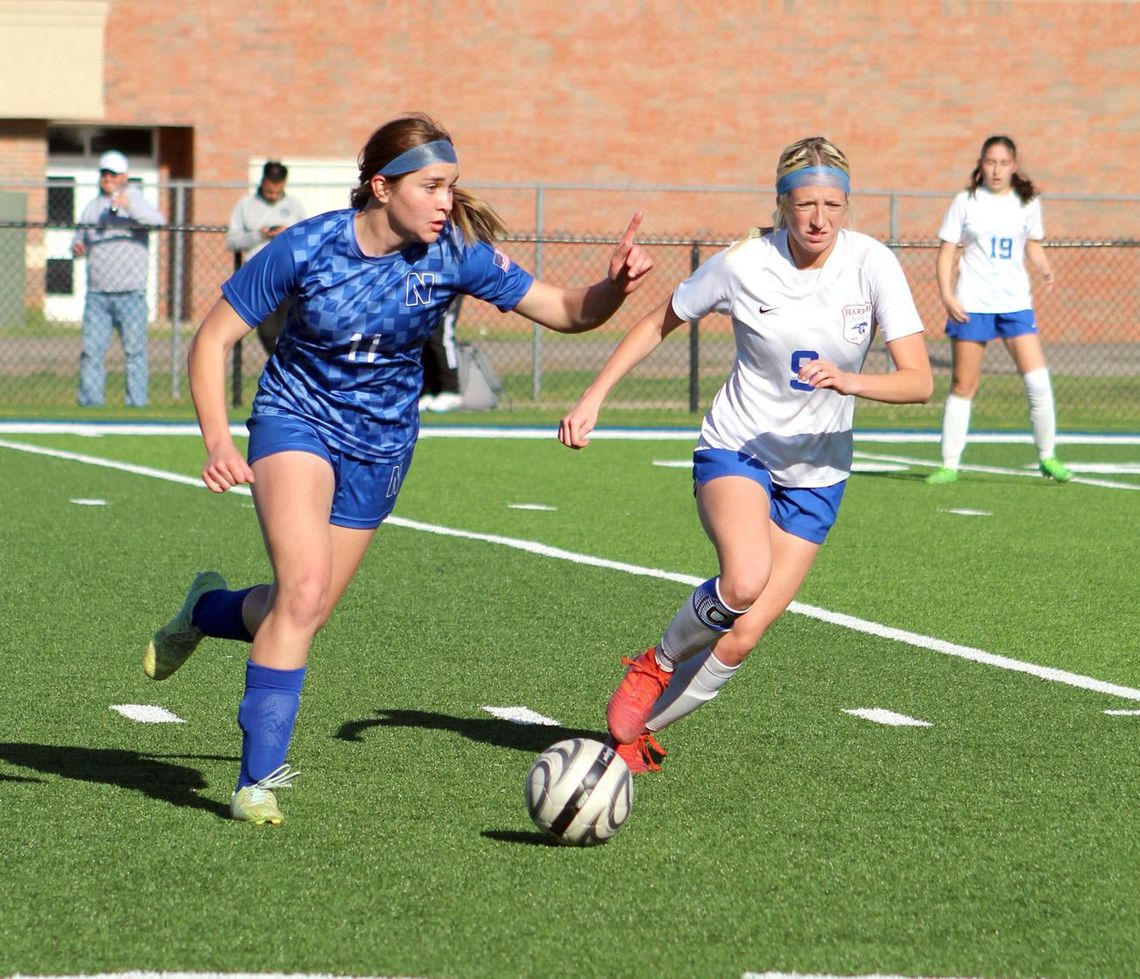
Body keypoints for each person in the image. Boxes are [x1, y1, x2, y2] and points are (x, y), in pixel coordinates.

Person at [142, 113, 653, 825]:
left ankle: (204, 609)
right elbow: (212, 339)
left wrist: (615, 289)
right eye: (432, 186)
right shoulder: (308, 247)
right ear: (382, 188)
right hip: (296, 421)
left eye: (452, 186)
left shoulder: (457, 255)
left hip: (382, 446)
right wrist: (219, 441)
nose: (447, 201)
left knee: (303, 606)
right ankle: (255, 782)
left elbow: (568, 311)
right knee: (305, 586)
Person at [558, 136, 933, 774]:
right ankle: (658, 662)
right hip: (740, 448)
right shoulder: (743, 264)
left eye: (834, 204)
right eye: (806, 203)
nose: (820, 219)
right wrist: (596, 394)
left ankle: (627, 746)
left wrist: (851, 381)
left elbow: (919, 381)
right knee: (744, 579)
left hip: (818, 475)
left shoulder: (873, 264)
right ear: (782, 203)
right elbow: (659, 322)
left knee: (744, 634)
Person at [926, 135, 1071, 484]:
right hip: (972, 304)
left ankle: (1047, 457)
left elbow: (1032, 243)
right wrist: (948, 296)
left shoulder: (1027, 202)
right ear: (980, 163)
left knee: (1038, 382)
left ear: (1014, 167)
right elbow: (947, 252)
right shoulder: (965, 201)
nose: (996, 169)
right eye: (990, 162)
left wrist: (1044, 266)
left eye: (1003, 163)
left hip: (1015, 303)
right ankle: (949, 464)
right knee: (963, 384)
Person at [72, 150, 164, 407]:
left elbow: (158, 222)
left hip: (130, 292)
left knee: (134, 353)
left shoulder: (134, 199)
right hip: (98, 293)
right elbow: (79, 238)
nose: (107, 178)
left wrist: (129, 207)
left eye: (112, 174)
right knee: (92, 353)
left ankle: (137, 404)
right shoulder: (92, 206)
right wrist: (78, 247)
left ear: (124, 176)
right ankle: (90, 404)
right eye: (104, 173)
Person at [225, 160, 308, 355]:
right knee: (268, 332)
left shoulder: (294, 206)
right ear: (262, 181)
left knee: (292, 327)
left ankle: (290, 365)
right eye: (269, 191)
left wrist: (288, 234)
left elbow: (306, 240)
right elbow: (232, 241)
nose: (272, 195)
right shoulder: (246, 205)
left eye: (276, 192)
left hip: (289, 273)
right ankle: (280, 360)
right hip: (258, 274)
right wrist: (259, 235)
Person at [419, 294, 464, 412]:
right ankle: (429, 391)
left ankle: (451, 389)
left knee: (442, 334)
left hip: (449, 286)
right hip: (427, 287)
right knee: (423, 336)